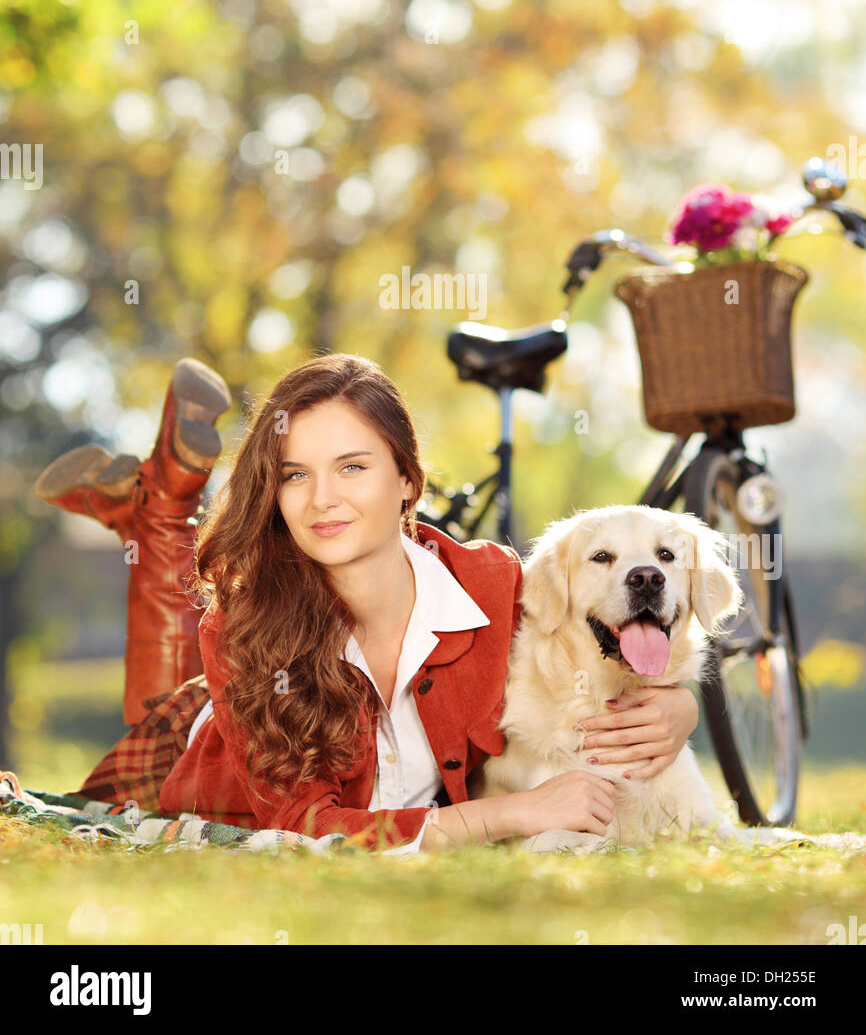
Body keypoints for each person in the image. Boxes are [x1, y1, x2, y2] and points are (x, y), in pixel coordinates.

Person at [33, 352, 700, 853]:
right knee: (166, 699)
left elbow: (603, 627)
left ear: (408, 481)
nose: (323, 498)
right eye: (296, 474)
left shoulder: (499, 589)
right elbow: (303, 831)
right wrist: (507, 815)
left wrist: (677, 703)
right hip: (199, 752)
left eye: (353, 466)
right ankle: (164, 513)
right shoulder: (244, 632)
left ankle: (158, 509)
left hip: (225, 689)